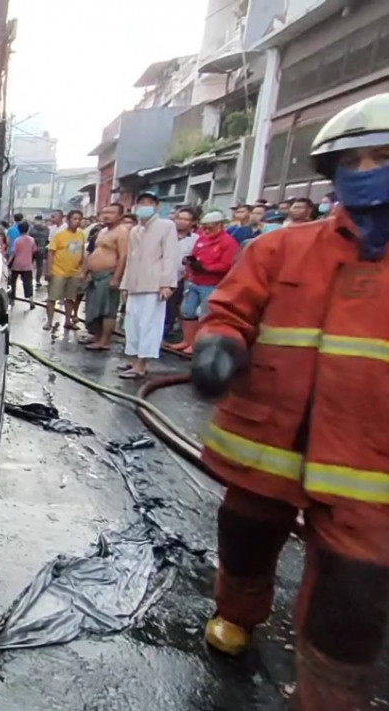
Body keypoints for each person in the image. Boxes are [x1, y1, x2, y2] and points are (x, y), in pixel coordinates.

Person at [191, 92, 389, 711]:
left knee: (351, 599)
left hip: (369, 469)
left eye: (380, 157)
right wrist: (217, 345)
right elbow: (231, 309)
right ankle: (238, 613)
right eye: (350, 162)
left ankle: (328, 697)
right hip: (265, 443)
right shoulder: (281, 248)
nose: (363, 173)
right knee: (245, 537)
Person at [118, 193, 178, 378]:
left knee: (149, 325)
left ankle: (141, 365)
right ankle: (134, 359)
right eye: (141, 203)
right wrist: (125, 284)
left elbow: (170, 256)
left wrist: (167, 284)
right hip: (135, 284)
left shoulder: (166, 226)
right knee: (132, 324)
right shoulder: (135, 230)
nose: (144, 206)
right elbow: (130, 260)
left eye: (149, 203)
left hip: (154, 285)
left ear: (156, 206)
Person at [173, 210, 238, 354]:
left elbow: (228, 265)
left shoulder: (228, 242)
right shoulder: (202, 239)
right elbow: (195, 255)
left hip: (211, 284)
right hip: (194, 281)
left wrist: (206, 268)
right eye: (205, 227)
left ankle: (197, 344)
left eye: (210, 227)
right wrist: (190, 263)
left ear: (219, 225)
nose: (206, 230)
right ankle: (187, 340)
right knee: (187, 312)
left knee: (204, 315)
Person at [83, 205, 126, 350]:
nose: (107, 215)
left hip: (109, 274)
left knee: (108, 309)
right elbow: (94, 251)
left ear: (120, 216)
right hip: (95, 275)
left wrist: (116, 278)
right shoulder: (102, 231)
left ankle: (105, 340)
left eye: (112, 213)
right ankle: (97, 336)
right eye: (105, 212)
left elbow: (123, 256)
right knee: (95, 308)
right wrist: (86, 271)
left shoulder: (122, 232)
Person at [44, 210, 86, 332]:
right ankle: (49, 321)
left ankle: (68, 320)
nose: (77, 221)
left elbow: (82, 252)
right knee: (53, 298)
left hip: (73, 272)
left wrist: (82, 269)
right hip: (58, 271)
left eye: (79, 219)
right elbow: (51, 253)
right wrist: (49, 270)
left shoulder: (81, 235)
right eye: (74, 219)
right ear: (68, 220)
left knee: (70, 298)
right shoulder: (59, 235)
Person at [164, 206, 198, 346]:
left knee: (174, 308)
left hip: (181, 279)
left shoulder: (196, 239)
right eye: (179, 218)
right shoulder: (166, 235)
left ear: (192, 222)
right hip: (162, 276)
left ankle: (168, 334)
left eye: (186, 219)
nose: (181, 222)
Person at [8, 221, 37, 308]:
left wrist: (8, 263)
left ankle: (12, 299)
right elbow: (34, 251)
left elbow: (14, 253)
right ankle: (31, 300)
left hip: (16, 265)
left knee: (12, 282)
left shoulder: (17, 240)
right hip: (27, 265)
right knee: (28, 283)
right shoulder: (32, 240)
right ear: (28, 229)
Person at [29, 214, 51, 286]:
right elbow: (48, 240)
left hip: (32, 249)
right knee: (39, 266)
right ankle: (37, 280)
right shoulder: (47, 229)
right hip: (41, 249)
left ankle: (29, 279)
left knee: (29, 264)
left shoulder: (32, 229)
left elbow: (29, 238)